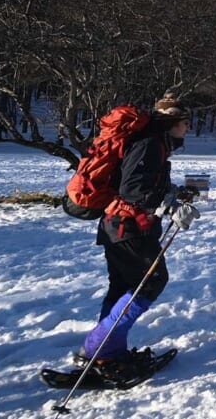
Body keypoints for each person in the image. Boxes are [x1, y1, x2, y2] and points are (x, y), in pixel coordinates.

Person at [79, 93, 199, 375]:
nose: (187, 129)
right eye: (185, 123)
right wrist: (169, 208)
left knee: (123, 287)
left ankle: (107, 355)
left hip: (119, 226)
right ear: (172, 122)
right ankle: (99, 347)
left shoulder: (152, 142)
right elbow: (133, 190)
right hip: (129, 227)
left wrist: (174, 194)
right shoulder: (150, 143)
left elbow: (142, 183)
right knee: (152, 281)